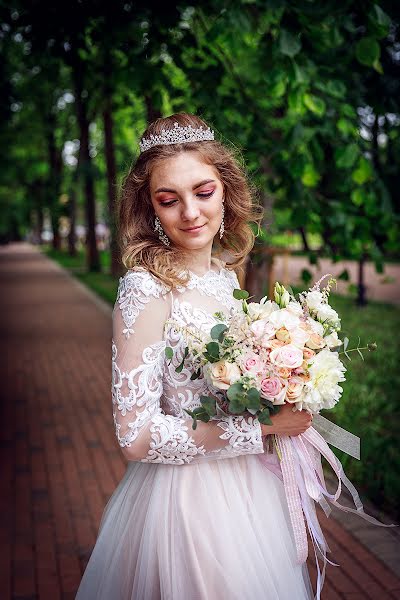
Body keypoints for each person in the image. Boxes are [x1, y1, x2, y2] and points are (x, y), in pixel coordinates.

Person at [75, 113, 315, 599]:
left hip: (248, 490)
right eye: (169, 200)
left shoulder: (225, 278)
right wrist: (264, 428)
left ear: (226, 191)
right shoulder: (145, 289)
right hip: (184, 506)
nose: (190, 213)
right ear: (150, 210)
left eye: (203, 192)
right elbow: (135, 437)